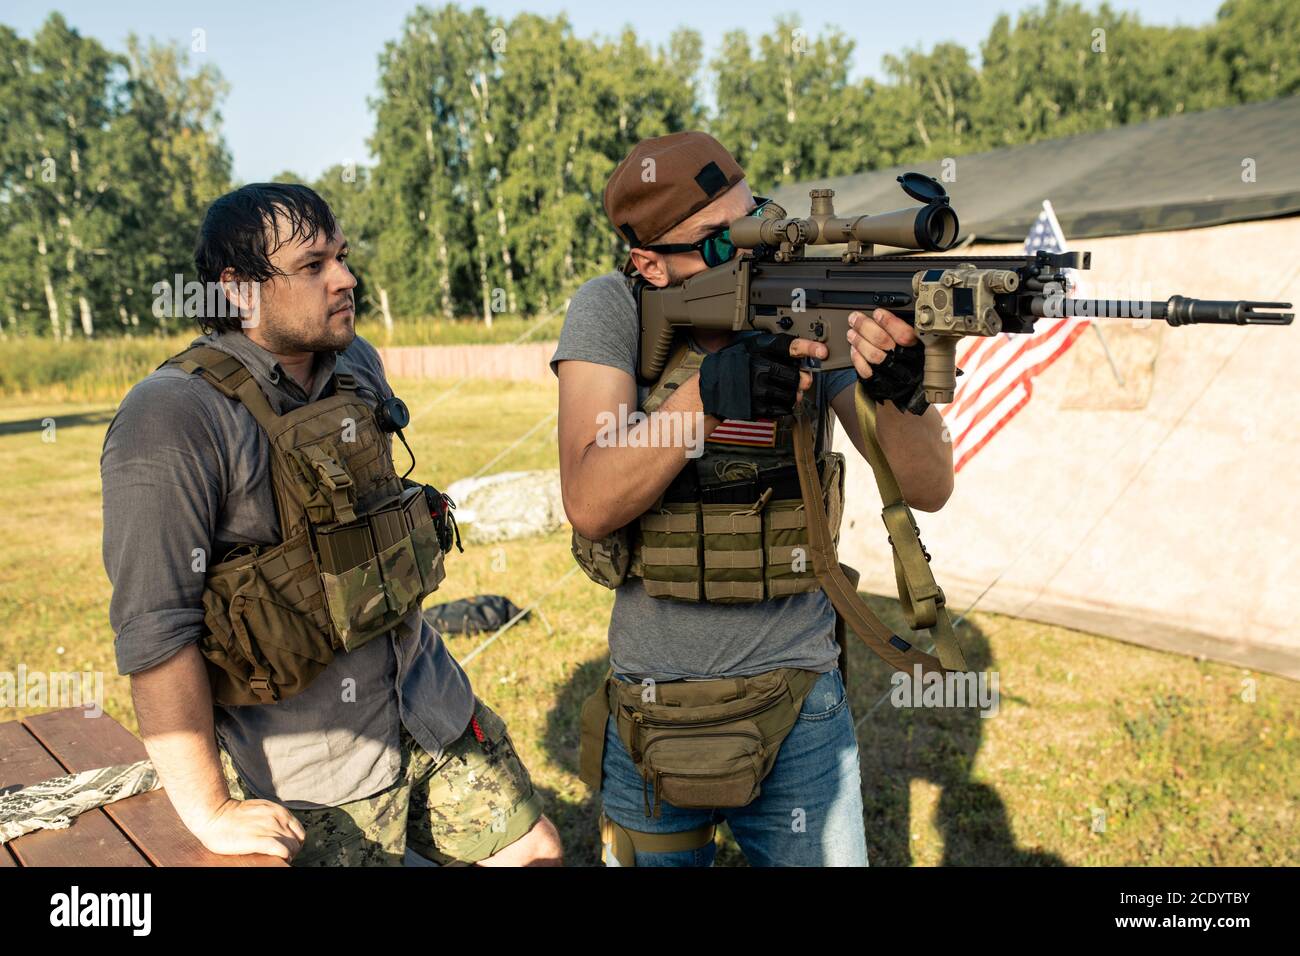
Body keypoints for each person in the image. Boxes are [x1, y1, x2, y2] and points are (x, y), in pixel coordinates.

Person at [102, 183, 562, 866]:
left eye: (342, 257)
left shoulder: (356, 365)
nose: (345, 278)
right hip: (309, 771)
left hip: (427, 700)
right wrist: (211, 810)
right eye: (313, 265)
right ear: (239, 290)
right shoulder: (170, 419)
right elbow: (155, 630)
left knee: (535, 852)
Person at [553, 132, 954, 866]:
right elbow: (589, 500)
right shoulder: (611, 309)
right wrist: (702, 400)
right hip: (654, 704)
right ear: (649, 264)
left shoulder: (810, 299)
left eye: (757, 217)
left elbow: (929, 488)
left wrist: (902, 396)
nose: (750, 249)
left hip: (801, 701)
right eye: (717, 242)